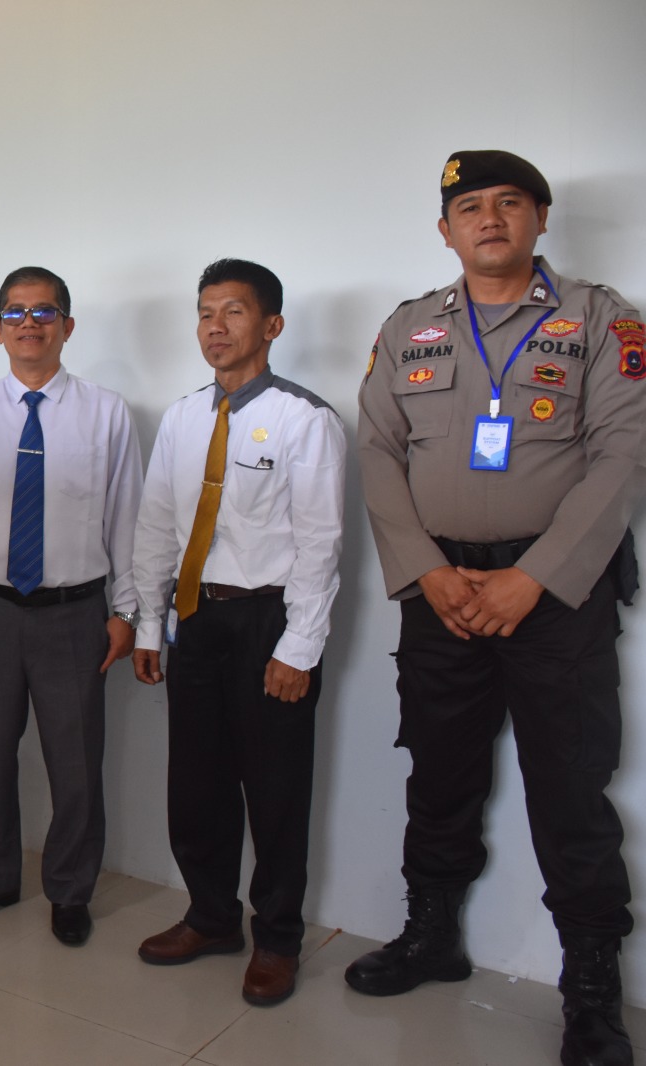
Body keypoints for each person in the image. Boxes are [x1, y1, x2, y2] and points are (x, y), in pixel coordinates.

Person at [352, 150, 644, 1066]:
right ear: (446, 230)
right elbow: (377, 451)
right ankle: (432, 934)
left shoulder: (603, 320)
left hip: (556, 596)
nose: (489, 218)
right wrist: (426, 570)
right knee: (439, 773)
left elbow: (625, 453)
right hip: (440, 590)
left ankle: (591, 988)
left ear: (540, 217)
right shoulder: (408, 328)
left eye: (510, 202)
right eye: (470, 207)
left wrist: (537, 577)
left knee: (570, 789)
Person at [129, 259, 345, 1006]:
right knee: (196, 782)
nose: (215, 327)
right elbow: (157, 526)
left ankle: (276, 939)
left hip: (268, 620)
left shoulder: (304, 418)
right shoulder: (183, 417)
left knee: (276, 790)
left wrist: (299, 647)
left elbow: (320, 543)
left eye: (234, 312)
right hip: (196, 615)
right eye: (205, 312)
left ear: (272, 325)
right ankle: (210, 916)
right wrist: (149, 624)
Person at [0, 266, 143, 947]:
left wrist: (127, 610)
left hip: (74, 614)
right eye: (15, 312)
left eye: (44, 312)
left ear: (67, 327)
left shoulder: (107, 413)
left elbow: (128, 518)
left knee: (75, 765)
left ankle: (70, 890)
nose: (29, 323)